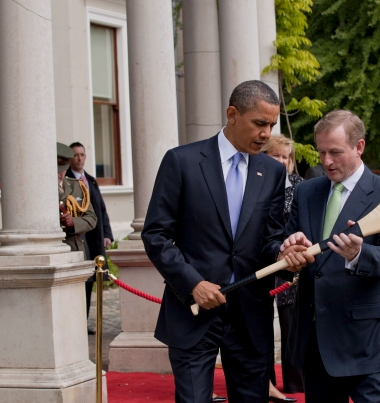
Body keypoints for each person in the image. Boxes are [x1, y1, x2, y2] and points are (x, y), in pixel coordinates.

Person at [141, 80, 288, 403]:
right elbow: (156, 234)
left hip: (250, 316)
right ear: (232, 114)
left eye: (272, 125)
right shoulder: (181, 162)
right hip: (192, 312)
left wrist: (284, 251)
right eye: (259, 123)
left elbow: (270, 239)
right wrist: (193, 283)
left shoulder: (272, 172)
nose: (266, 133)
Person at [280, 110, 380, 403]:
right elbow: (288, 246)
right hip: (316, 342)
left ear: (359, 147)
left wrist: (359, 255)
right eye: (322, 152)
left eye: (336, 152)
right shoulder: (306, 192)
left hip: (370, 343)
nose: (326, 161)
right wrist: (288, 250)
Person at [262, 134, 303, 402]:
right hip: (263, 262)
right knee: (262, 326)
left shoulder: (300, 186)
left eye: (284, 156)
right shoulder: (257, 185)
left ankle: (295, 381)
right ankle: (266, 382)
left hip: (290, 263)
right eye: (275, 155)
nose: (280, 161)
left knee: (291, 325)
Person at [66, 142, 114, 333]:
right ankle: (76, 323)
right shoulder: (66, 180)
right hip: (79, 237)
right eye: (76, 155)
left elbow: (101, 210)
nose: (79, 158)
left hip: (94, 237)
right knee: (80, 281)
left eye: (82, 154)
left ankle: (83, 322)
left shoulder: (91, 180)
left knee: (90, 281)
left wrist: (107, 234)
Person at [57, 142, 97, 254]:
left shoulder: (77, 186)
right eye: (56, 171)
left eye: (62, 171)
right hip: (53, 249)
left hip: (75, 249)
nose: (59, 175)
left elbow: (92, 219)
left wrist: (73, 222)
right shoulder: (41, 191)